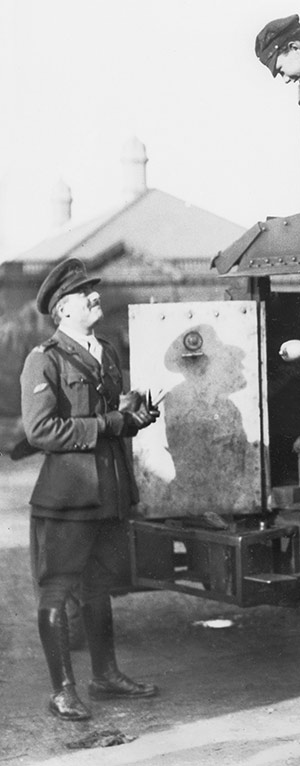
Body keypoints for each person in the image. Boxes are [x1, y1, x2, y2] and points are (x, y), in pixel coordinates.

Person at [20, 258, 159, 721]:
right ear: (62, 310)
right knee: (57, 591)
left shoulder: (105, 351)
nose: (95, 297)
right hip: (68, 498)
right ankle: (63, 691)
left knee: (99, 589)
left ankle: (106, 676)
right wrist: (108, 423)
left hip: (110, 493)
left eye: (94, 291)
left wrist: (132, 416)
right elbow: (41, 431)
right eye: (85, 294)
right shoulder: (45, 359)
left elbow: (112, 419)